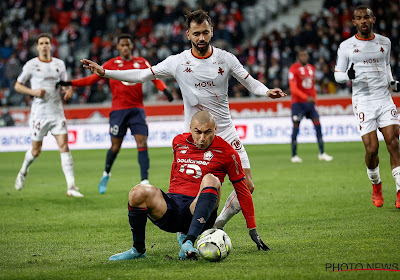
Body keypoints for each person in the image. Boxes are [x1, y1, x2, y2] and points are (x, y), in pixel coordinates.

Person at [81, 10, 286, 238]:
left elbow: (249, 82)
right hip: (194, 136)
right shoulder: (177, 62)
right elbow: (141, 75)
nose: (201, 38)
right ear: (188, 34)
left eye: (205, 33)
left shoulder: (226, 58)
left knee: (247, 185)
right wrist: (106, 72)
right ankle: (187, 228)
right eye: (196, 33)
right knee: (192, 190)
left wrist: (266, 91)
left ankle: (216, 225)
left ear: (211, 32)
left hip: (225, 132)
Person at [108, 111, 269, 261]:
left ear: (215, 129)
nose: (202, 138)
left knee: (210, 179)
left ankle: (189, 241)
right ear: (190, 128)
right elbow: (174, 173)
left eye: (208, 132)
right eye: (198, 132)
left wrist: (252, 227)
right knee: (137, 192)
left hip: (199, 211)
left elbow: (243, 189)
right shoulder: (178, 142)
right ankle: (138, 250)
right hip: (172, 207)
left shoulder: (228, 153)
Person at [57, 34, 173, 194]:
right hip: (119, 111)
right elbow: (92, 79)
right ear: (118, 47)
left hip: (137, 109)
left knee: (142, 143)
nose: (125, 47)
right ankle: (106, 174)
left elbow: (155, 77)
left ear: (132, 46)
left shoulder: (141, 62)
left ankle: (145, 181)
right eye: (122, 45)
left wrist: (165, 90)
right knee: (115, 146)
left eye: (128, 45)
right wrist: (71, 83)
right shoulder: (111, 64)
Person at [334, 5, 400, 209]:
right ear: (353, 22)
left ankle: (399, 191)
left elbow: (386, 66)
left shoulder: (384, 42)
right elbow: (337, 74)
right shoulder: (346, 46)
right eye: (359, 18)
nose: (363, 21)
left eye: (367, 17)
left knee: (393, 142)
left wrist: (392, 83)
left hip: (383, 98)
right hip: (363, 101)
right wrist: (348, 76)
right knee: (372, 150)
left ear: (373, 20)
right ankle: (376, 185)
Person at [14, 33, 83, 197]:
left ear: (51, 46)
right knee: (36, 151)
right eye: (41, 43)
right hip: (39, 114)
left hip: (57, 112)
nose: (44, 46)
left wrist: (69, 90)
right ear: (37, 47)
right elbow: (18, 85)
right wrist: (33, 92)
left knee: (64, 147)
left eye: (47, 43)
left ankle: (71, 186)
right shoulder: (31, 65)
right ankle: (23, 170)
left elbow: (66, 84)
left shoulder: (60, 64)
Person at [288, 49, 333, 163]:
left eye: (305, 55)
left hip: (310, 103)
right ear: (298, 57)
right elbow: (293, 89)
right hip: (297, 103)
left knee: (318, 125)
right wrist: (305, 97)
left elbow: (312, 87)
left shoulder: (311, 69)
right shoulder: (293, 69)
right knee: (296, 127)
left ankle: (322, 153)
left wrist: (314, 100)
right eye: (301, 55)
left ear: (307, 57)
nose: (304, 57)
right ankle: (294, 155)